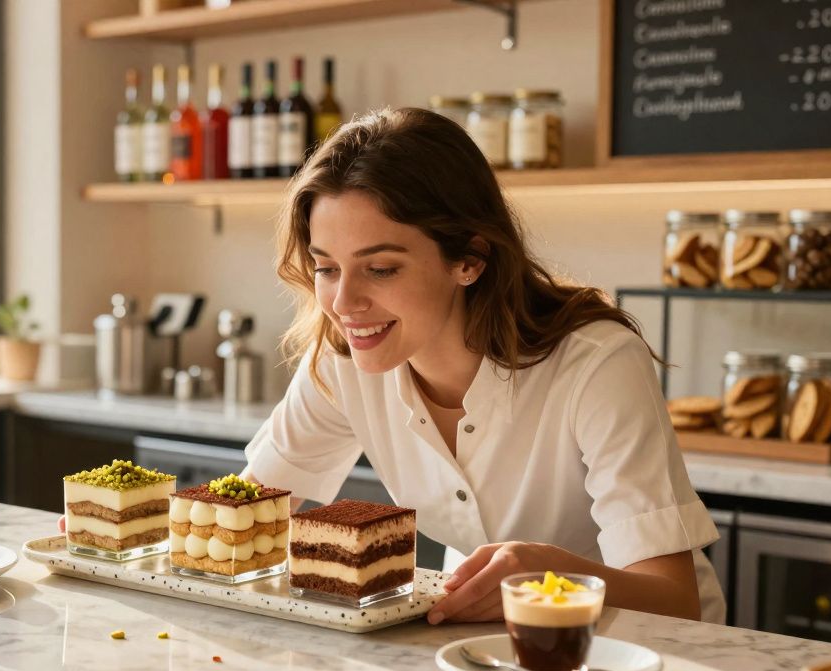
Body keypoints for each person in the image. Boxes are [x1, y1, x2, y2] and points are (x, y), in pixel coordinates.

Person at [240, 107, 724, 624]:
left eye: (380, 269)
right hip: (485, 646)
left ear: (469, 258)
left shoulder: (596, 364)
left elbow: (676, 600)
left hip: (649, 648)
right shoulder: (340, 361)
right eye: (327, 268)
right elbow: (248, 516)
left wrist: (551, 575)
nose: (342, 302)